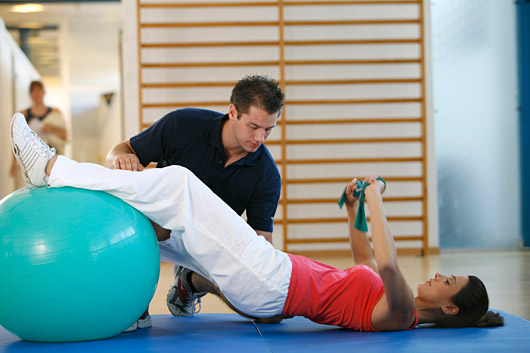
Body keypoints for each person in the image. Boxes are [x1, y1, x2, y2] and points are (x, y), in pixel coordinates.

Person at [10, 113, 504, 331]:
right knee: (158, 226)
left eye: (450, 281)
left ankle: (53, 168)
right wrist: (356, 202)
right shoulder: (384, 296)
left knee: (179, 185)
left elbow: (389, 261)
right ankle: (136, 304)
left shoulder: (402, 314)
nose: (440, 275)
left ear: (453, 309)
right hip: (271, 273)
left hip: (272, 285)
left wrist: (376, 194)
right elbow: (364, 253)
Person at [106, 75, 283, 330]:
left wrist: (267, 281)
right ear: (233, 112)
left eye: (268, 129)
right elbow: (120, 150)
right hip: (160, 227)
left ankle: (190, 282)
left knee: (267, 311)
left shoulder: (266, 173)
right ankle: (136, 305)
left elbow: (261, 239)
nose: (260, 138)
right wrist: (122, 159)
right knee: (137, 209)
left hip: (211, 243)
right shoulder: (183, 125)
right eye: (253, 126)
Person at [10, 81, 66, 189]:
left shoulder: (54, 112)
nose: (36, 94)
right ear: (30, 94)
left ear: (43, 92)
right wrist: (14, 162)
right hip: (30, 159)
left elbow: (65, 136)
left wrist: (51, 129)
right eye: (34, 92)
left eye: (38, 91)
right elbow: (15, 139)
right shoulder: (24, 114)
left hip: (51, 159)